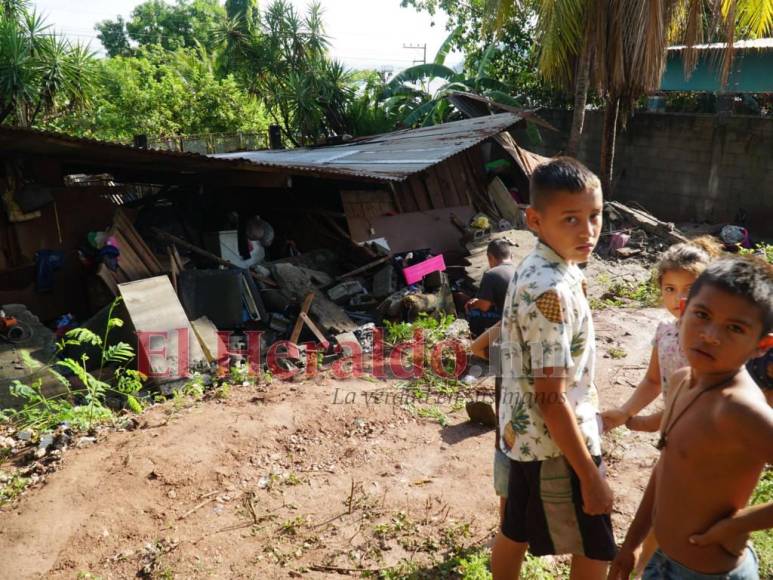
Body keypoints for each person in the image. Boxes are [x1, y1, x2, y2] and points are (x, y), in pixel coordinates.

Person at [608, 256, 773, 580]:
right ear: (683, 311)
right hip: (662, 561)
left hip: (710, 573)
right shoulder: (683, 381)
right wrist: (631, 544)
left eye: (735, 328)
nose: (710, 335)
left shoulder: (739, 409)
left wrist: (737, 524)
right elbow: (665, 469)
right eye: (702, 315)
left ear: (761, 345)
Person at [491, 157, 615, 580]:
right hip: (556, 446)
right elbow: (551, 396)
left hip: (525, 437)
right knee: (594, 550)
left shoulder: (538, 265)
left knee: (515, 530)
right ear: (535, 220)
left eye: (594, 216)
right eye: (571, 219)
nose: (587, 231)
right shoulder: (552, 289)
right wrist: (589, 476)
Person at [602, 237, 722, 433]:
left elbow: (705, 400)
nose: (679, 298)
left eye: (690, 289)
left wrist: (652, 422)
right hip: (675, 432)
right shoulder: (665, 331)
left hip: (711, 435)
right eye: (670, 289)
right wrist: (624, 412)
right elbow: (653, 381)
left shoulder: (715, 339)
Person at [465, 239, 516, 337]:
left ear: (490, 257)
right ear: (511, 256)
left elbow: (484, 306)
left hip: (505, 321)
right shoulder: (518, 270)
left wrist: (472, 304)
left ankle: (480, 344)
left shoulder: (491, 274)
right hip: (520, 318)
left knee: (473, 312)